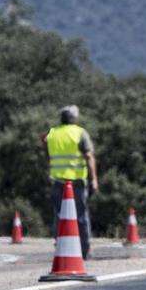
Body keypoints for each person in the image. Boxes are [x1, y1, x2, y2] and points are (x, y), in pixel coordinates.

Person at [42, 106, 98, 259]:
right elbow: (89, 157)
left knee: (59, 216)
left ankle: (61, 247)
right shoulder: (80, 133)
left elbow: (47, 153)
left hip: (57, 180)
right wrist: (94, 179)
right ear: (75, 118)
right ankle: (84, 250)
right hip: (76, 181)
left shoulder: (52, 133)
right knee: (80, 217)